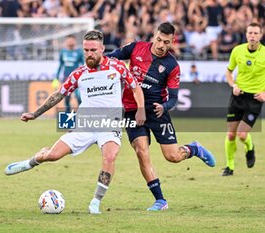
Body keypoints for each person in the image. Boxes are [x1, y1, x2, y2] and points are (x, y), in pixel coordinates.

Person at [4, 30, 146, 214]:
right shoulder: (79, 74)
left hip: (110, 124)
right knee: (53, 156)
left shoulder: (117, 67)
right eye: (86, 50)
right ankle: (31, 161)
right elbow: (58, 95)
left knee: (110, 156)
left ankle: (95, 202)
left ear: (102, 49)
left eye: (93, 50)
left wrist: (141, 109)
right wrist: (35, 114)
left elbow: (136, 88)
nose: (89, 54)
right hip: (85, 124)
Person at [108, 22, 216, 211]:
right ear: (154, 36)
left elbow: (173, 98)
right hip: (133, 109)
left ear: (172, 42)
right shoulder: (136, 47)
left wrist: (164, 106)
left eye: (166, 42)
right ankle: (160, 200)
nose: (160, 45)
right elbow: (111, 58)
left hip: (157, 112)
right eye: (158, 39)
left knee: (172, 157)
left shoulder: (172, 66)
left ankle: (194, 149)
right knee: (141, 151)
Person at [222, 22, 265, 176]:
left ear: (260, 35)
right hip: (238, 96)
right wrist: (233, 85)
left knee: (242, 134)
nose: (252, 36)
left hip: (255, 99)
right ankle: (229, 167)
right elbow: (228, 72)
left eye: (255, 33)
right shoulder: (237, 51)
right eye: (250, 33)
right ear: (246, 34)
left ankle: (250, 148)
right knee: (231, 135)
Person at [55, 35, 84, 112]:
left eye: (72, 40)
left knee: (78, 97)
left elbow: (84, 64)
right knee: (67, 98)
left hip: (77, 79)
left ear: (75, 41)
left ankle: (81, 114)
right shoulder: (63, 52)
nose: (70, 42)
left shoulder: (79, 52)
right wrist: (56, 77)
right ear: (66, 41)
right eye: (68, 40)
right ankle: (68, 115)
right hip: (66, 78)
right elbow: (61, 65)